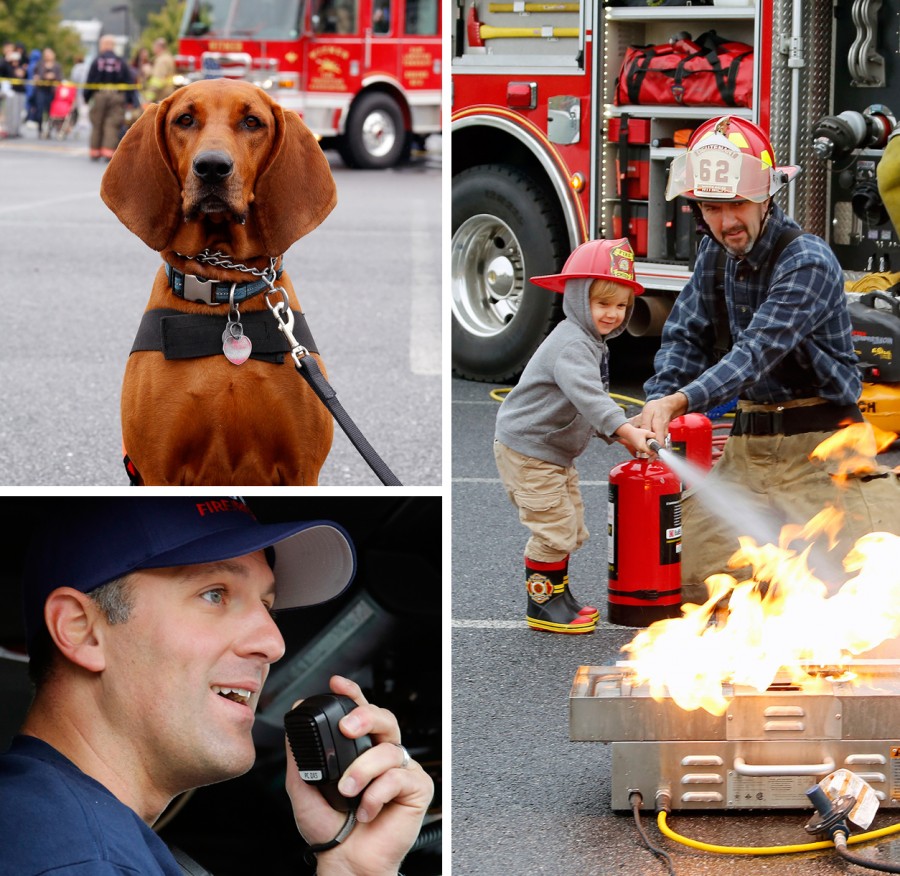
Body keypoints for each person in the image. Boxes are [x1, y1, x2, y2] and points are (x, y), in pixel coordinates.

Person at [0, 497, 433, 875]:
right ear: (82, 630)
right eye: (215, 594)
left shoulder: (72, 837)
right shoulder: (80, 859)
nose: (273, 643)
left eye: (268, 606)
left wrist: (353, 868)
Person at [638, 115, 900, 604]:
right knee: (684, 580)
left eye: (737, 203)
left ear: (766, 195)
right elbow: (684, 340)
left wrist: (680, 400)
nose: (726, 222)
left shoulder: (808, 260)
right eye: (711, 207)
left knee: (871, 582)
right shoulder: (711, 254)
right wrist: (656, 406)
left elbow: (756, 353)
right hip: (745, 454)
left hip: (823, 453)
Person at [494, 238, 656, 634]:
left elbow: (587, 406)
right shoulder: (572, 344)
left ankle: (558, 596)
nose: (613, 315)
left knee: (571, 527)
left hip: (551, 452)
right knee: (554, 528)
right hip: (529, 451)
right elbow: (588, 396)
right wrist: (622, 428)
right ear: (579, 298)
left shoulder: (590, 342)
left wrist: (624, 429)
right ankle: (542, 604)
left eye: (621, 306)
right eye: (603, 304)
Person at [84, 34, 138, 160]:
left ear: (103, 45)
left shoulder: (97, 61)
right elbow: (129, 81)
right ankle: (108, 153)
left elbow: (90, 80)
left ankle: (95, 152)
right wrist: (130, 100)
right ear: (113, 46)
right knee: (112, 124)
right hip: (117, 96)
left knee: (97, 122)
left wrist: (86, 96)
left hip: (99, 95)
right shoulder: (121, 62)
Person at [32, 47, 62, 138]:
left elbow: (60, 78)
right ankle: (40, 129)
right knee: (40, 110)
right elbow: (36, 76)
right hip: (41, 89)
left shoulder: (57, 66)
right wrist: (43, 77)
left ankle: (49, 130)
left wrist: (53, 77)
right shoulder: (40, 64)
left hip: (52, 91)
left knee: (50, 111)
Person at [144, 38, 176, 104]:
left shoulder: (161, 61)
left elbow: (156, 81)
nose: (153, 50)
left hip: (160, 96)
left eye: (154, 47)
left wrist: (149, 98)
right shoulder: (169, 58)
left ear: (158, 47)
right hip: (168, 93)